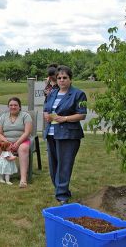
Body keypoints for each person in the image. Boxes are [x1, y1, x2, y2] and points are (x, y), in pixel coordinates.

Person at [43, 65, 87, 205]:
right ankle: (60, 190)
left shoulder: (78, 94)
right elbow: (46, 108)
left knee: (64, 165)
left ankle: (62, 195)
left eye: (65, 78)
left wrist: (65, 118)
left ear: (70, 79)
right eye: (59, 78)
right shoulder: (52, 93)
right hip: (51, 133)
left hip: (68, 135)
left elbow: (82, 114)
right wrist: (46, 115)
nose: (62, 80)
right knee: (53, 165)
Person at [0, 97, 32, 188]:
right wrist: (7, 142)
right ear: (8, 106)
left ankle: (23, 179)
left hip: (22, 141)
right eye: (11, 105)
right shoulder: (3, 116)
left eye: (15, 105)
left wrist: (17, 143)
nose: (13, 107)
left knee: (23, 148)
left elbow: (27, 132)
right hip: (6, 142)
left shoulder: (25, 116)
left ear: (20, 107)